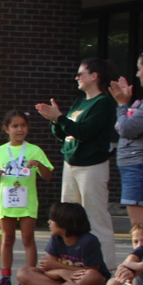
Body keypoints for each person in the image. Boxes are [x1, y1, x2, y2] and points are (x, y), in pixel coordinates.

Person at [35, 58, 118, 268]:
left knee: (95, 216)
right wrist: (55, 121)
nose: (76, 77)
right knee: (67, 218)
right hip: (70, 164)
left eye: (81, 74)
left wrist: (61, 118)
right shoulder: (79, 102)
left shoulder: (104, 102)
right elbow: (65, 134)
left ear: (94, 76)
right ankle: (70, 263)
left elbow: (85, 132)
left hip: (92, 166)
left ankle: (105, 267)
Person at [0, 110, 54, 285]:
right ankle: (5, 278)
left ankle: (30, 278)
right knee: (7, 239)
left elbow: (48, 175)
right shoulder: (0, 151)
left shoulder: (34, 150)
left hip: (27, 202)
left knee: (27, 239)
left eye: (23, 125)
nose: (19, 129)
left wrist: (38, 165)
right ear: (6, 129)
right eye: (15, 126)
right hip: (7, 202)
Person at [17, 202, 109, 285]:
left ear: (63, 223)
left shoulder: (89, 241)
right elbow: (48, 271)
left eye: (52, 219)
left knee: (92, 275)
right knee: (23, 272)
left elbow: (91, 271)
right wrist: (61, 272)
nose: (49, 222)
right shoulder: (56, 238)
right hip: (65, 281)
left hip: (87, 281)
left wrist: (59, 266)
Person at [110, 48, 143, 226]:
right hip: (138, 168)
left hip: (141, 169)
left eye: (139, 69)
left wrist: (122, 104)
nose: (137, 74)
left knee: (142, 230)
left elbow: (126, 128)